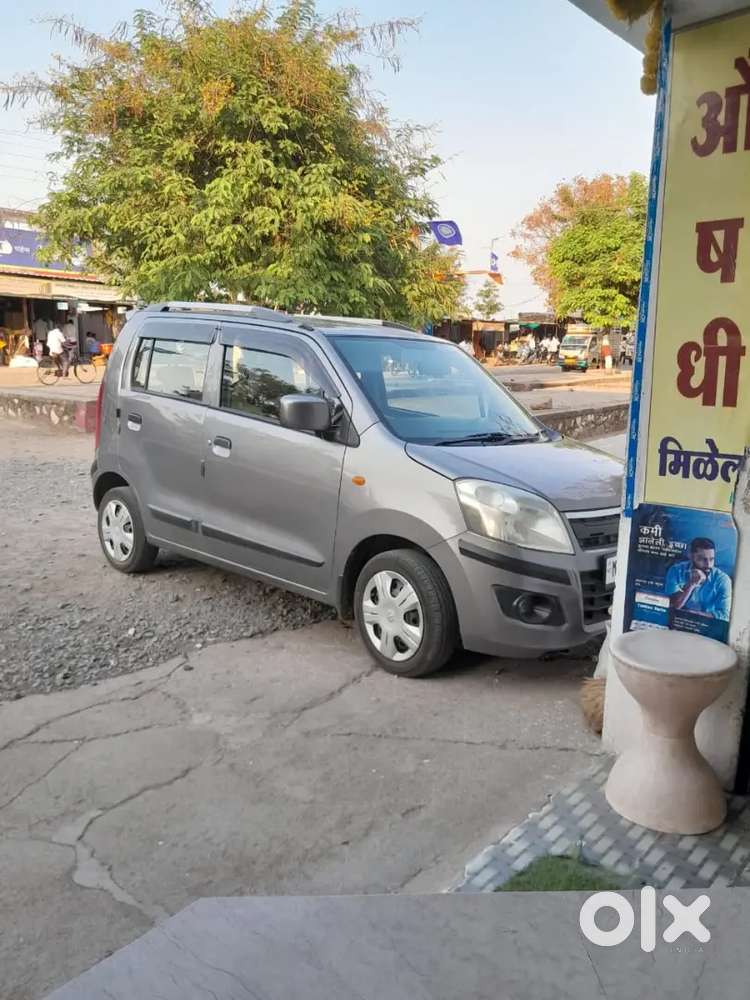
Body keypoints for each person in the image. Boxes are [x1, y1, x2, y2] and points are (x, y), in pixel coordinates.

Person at [665, 537, 732, 621]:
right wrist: (691, 584)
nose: (708, 565)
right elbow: (673, 606)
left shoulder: (723, 580)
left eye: (711, 559)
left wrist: (694, 615)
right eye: (703, 559)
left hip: (707, 624)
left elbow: (724, 616)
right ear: (691, 556)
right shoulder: (676, 571)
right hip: (677, 621)